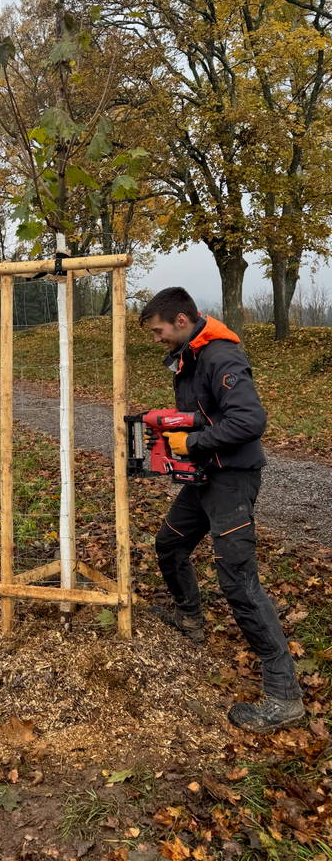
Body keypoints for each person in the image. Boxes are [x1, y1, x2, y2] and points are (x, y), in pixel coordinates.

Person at [139, 287, 304, 731]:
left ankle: (284, 694)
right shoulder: (190, 357)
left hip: (231, 478)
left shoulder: (220, 356)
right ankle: (189, 616)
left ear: (180, 320)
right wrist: (171, 429)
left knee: (237, 578)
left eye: (158, 332)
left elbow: (248, 421)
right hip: (205, 475)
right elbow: (205, 415)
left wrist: (189, 443)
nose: (156, 340)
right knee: (169, 544)